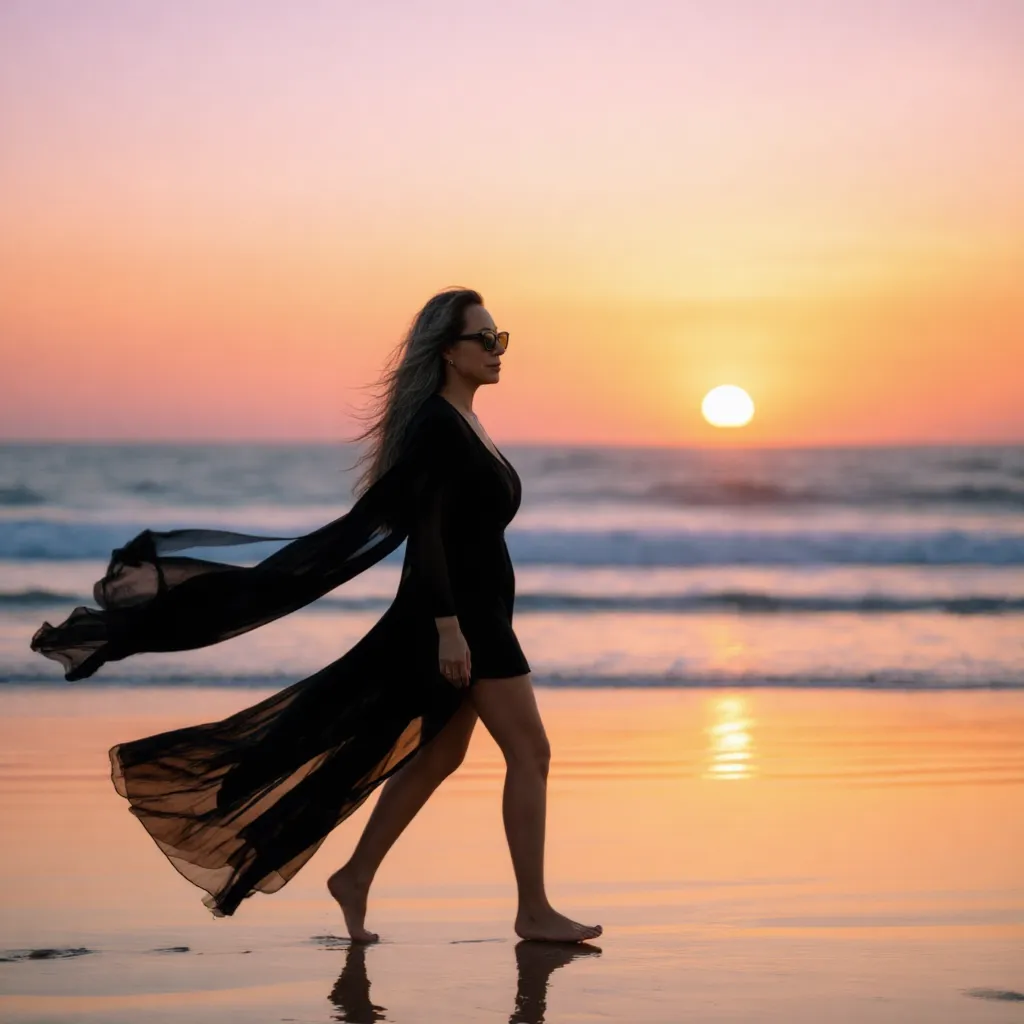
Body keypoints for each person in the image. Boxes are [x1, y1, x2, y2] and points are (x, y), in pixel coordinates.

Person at [30, 287, 601, 945]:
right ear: (449, 351)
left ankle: (355, 877)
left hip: (476, 614)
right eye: (486, 339)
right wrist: (449, 626)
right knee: (531, 751)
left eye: (504, 338)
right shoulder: (438, 426)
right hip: (463, 619)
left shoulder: (463, 421)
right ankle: (532, 910)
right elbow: (429, 530)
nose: (499, 351)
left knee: (439, 755)